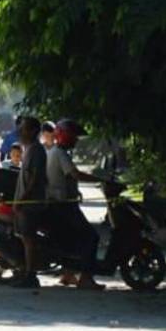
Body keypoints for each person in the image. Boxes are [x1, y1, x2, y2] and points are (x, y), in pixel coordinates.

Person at [45, 119, 104, 290]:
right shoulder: (60, 154)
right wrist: (101, 180)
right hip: (62, 206)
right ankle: (86, 277)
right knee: (91, 237)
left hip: (61, 203)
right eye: (74, 137)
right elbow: (76, 174)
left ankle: (68, 273)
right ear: (66, 136)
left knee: (70, 239)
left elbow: (68, 178)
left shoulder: (57, 152)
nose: (76, 140)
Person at [12, 116, 47, 287]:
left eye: (24, 128)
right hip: (25, 203)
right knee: (25, 238)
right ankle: (24, 270)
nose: (21, 131)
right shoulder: (29, 149)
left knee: (29, 239)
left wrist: (23, 199)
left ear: (33, 131)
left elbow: (34, 178)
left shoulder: (37, 150)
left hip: (31, 204)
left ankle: (30, 275)